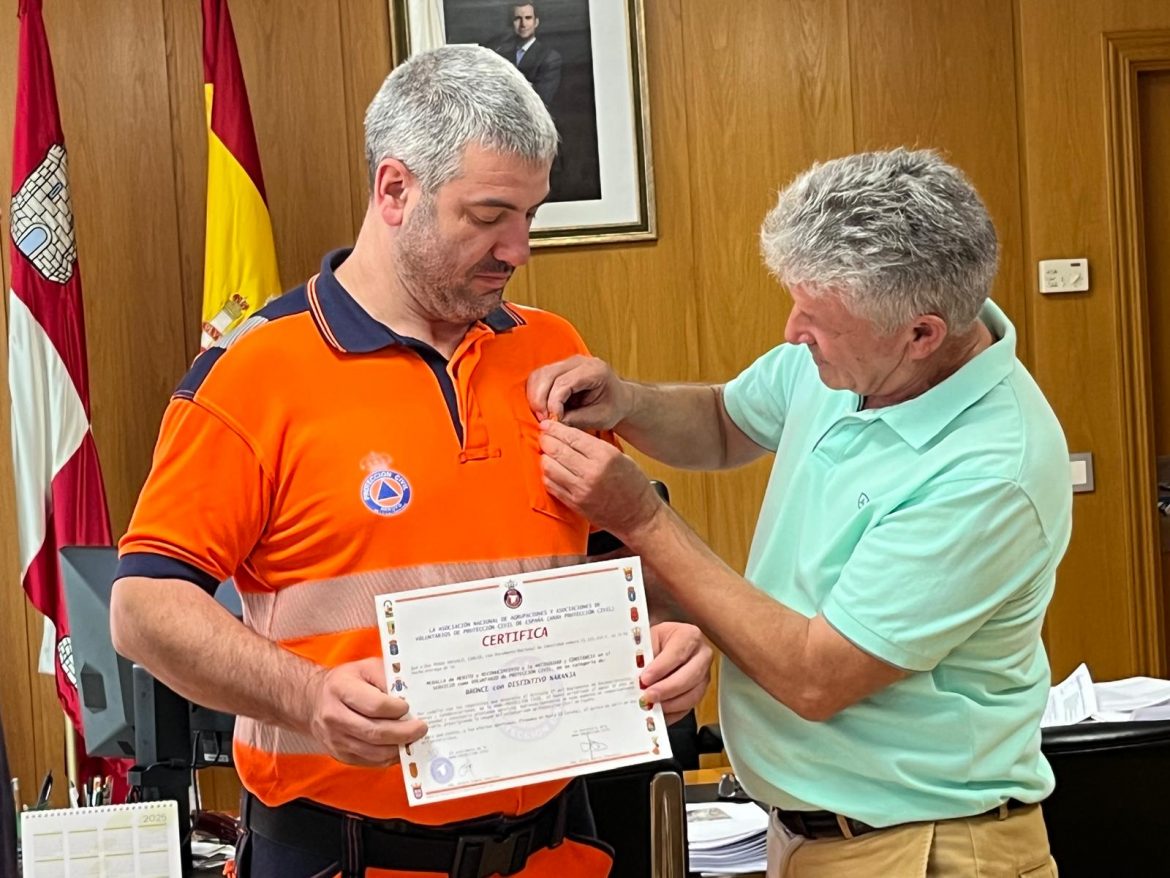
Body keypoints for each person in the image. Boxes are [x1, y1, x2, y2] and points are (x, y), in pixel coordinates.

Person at [110, 45, 710, 878]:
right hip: (344, 857)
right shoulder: (253, 373)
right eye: (489, 215)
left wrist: (664, 640)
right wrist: (308, 697)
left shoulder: (551, 351)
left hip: (554, 850)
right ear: (395, 190)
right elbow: (143, 608)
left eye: (530, 214)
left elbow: (609, 559)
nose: (518, 247)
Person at [527, 148, 1070, 877]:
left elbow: (817, 678)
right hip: (811, 836)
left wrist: (643, 519)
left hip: (921, 849)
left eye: (815, 319)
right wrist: (628, 402)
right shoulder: (856, 360)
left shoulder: (989, 473)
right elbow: (723, 422)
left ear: (922, 335)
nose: (791, 332)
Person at [488, 3, 562, 107]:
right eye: (518, 18)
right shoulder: (500, 54)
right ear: (512, 23)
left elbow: (541, 100)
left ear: (536, 22)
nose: (523, 24)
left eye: (528, 18)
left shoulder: (550, 58)